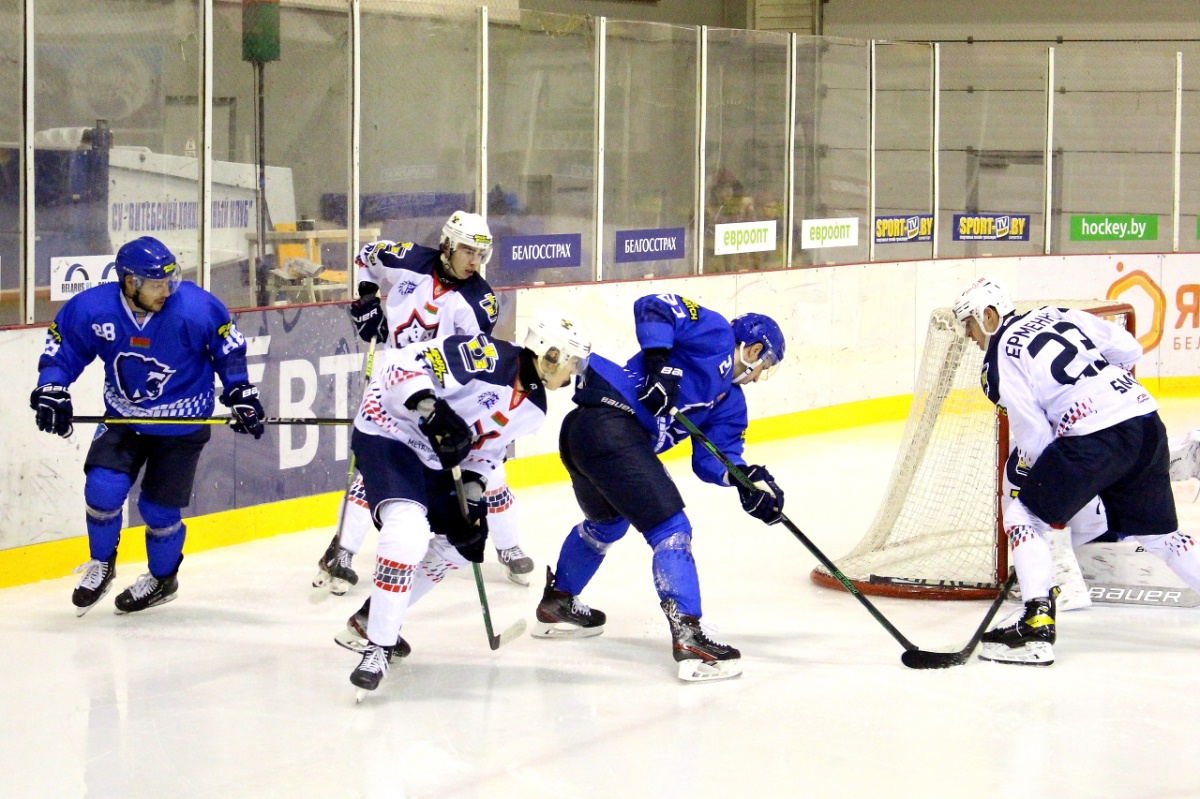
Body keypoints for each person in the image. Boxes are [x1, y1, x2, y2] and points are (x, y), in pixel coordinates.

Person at [532, 293, 786, 682]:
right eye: (763, 367)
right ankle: (690, 636)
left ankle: (559, 602)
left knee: (608, 524)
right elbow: (653, 305)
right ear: (753, 349)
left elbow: (713, 460)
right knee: (671, 529)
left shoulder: (730, 403)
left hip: (586, 438)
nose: (757, 376)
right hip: (609, 422)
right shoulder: (715, 332)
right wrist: (658, 364)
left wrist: (745, 482)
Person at [953, 276, 1200, 665]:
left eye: (968, 323)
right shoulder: (1057, 314)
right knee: (1162, 538)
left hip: (1095, 439)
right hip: (1144, 419)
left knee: (1023, 513)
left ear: (988, 315)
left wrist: (1039, 473)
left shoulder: (1002, 354)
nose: (968, 335)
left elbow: (1034, 434)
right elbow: (1129, 348)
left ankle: (1035, 623)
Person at [343, 317, 592, 695]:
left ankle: (370, 618)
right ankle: (377, 646)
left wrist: (472, 504)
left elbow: (485, 457)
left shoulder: (535, 410)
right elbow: (398, 364)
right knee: (408, 531)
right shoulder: (484, 356)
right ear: (550, 355)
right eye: (572, 361)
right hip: (389, 431)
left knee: (462, 546)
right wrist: (430, 409)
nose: (575, 371)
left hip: (433, 457)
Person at [31, 236, 264, 616]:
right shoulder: (94, 309)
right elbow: (64, 350)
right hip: (124, 417)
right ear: (129, 282)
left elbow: (229, 351)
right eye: (156, 283)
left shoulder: (195, 307)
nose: (167, 290)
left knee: (158, 512)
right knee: (102, 489)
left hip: (182, 425)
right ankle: (102, 564)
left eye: (170, 280)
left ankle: (162, 579)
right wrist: (51, 387)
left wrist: (240, 392)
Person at [313, 211, 538, 591]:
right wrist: (368, 299)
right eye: (468, 251)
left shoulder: (479, 303)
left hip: (444, 399)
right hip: (394, 384)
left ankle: (509, 546)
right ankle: (342, 552)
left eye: (481, 255)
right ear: (447, 244)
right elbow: (366, 257)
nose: (474, 262)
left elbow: (477, 361)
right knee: (371, 470)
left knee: (487, 472)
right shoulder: (404, 258)